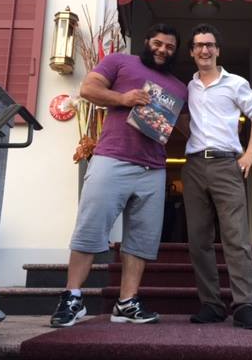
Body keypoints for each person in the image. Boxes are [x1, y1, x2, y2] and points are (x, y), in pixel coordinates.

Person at [50, 24, 187, 327]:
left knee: (141, 240)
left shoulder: (180, 88)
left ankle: (126, 302)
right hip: (112, 158)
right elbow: (88, 89)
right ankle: (72, 296)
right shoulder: (119, 61)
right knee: (90, 226)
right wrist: (124, 99)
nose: (163, 50)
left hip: (154, 168)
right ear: (146, 41)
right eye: (158, 43)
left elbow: (184, 126)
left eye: (170, 47)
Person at [182, 23, 252, 330]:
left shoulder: (235, 83)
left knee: (236, 237)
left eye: (209, 45)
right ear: (192, 52)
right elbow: (181, 119)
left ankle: (245, 305)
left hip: (226, 165)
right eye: (199, 45)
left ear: (217, 50)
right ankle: (211, 304)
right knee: (198, 241)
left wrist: (250, 153)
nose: (204, 50)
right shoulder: (188, 87)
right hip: (193, 166)